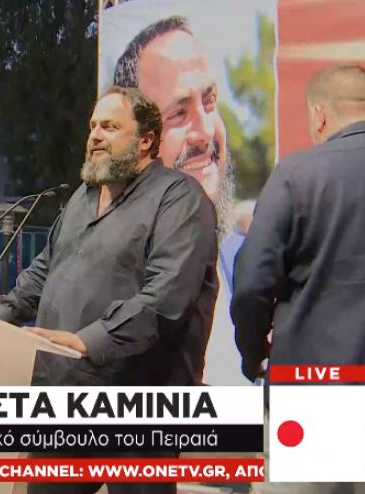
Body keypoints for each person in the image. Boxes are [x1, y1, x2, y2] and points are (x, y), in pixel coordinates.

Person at [0, 87, 218, 494]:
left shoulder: (179, 198)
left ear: (146, 140)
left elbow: (166, 296)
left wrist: (88, 340)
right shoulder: (82, 197)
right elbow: (45, 270)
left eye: (110, 127)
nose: (95, 135)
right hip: (64, 395)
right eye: (93, 126)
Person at [232, 64, 365, 493]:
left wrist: (253, 355)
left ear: (319, 115)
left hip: (315, 397)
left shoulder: (297, 175)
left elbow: (251, 285)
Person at [113, 15, 250, 385]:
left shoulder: (251, 265)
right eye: (178, 113)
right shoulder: (107, 275)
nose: (205, 131)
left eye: (209, 101)